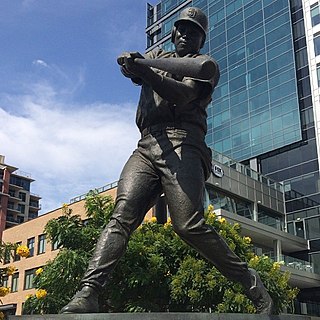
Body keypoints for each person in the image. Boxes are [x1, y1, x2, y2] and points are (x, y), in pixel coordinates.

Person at [60, 7, 274, 314]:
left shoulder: (205, 65)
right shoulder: (159, 56)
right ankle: (88, 291)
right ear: (172, 33)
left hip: (184, 142)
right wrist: (131, 63)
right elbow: (132, 72)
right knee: (122, 215)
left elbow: (183, 95)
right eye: (180, 29)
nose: (185, 34)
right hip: (147, 144)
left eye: (193, 31)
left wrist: (143, 68)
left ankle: (253, 285)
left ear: (202, 38)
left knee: (188, 225)